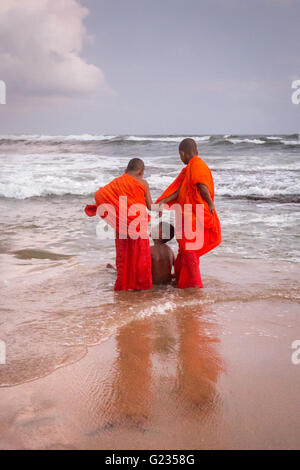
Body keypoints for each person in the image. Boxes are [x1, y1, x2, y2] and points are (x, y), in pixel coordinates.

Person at [156, 138, 222, 289]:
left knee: (189, 251)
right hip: (186, 216)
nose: (181, 159)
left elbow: (202, 186)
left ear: (182, 153)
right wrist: (164, 202)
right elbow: (179, 191)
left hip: (193, 217)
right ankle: (182, 283)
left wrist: (210, 203)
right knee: (184, 252)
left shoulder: (197, 165)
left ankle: (194, 286)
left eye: (180, 156)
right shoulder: (190, 168)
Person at [85, 158, 153, 291]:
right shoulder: (143, 183)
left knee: (123, 258)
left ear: (126, 170)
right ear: (141, 172)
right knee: (140, 261)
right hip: (138, 228)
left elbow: (100, 194)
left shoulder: (117, 182)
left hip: (121, 228)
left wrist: (111, 213)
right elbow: (150, 206)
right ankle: (140, 288)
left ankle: (124, 287)